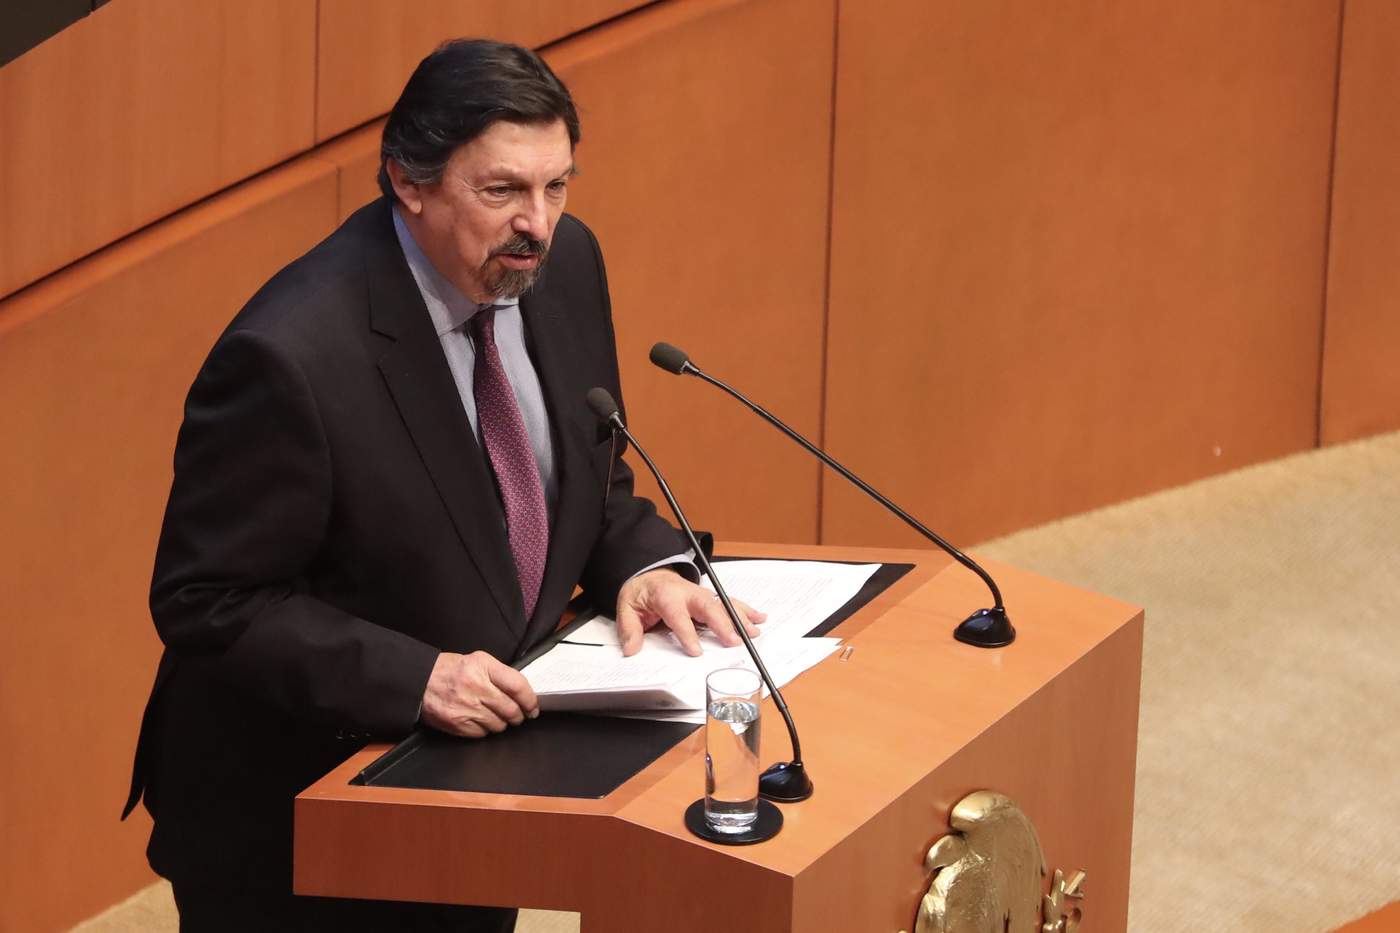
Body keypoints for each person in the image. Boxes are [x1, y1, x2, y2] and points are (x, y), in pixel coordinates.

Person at [122, 38, 760, 932]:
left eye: (557, 185)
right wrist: (415, 676)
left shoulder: (563, 266)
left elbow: (587, 475)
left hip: (474, 781)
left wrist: (643, 568)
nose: (538, 223)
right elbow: (208, 600)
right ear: (408, 182)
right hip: (302, 817)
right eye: (502, 191)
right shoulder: (292, 354)